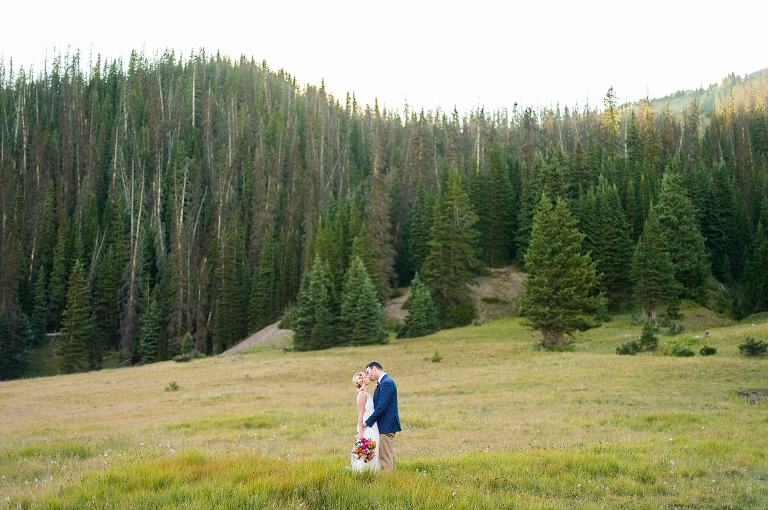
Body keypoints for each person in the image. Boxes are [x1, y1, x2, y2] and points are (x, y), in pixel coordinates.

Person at [363, 361, 401, 471]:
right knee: (387, 455)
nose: (368, 375)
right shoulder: (383, 382)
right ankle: (393, 479)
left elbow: (381, 407)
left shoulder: (387, 383)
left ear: (374, 368)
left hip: (386, 424)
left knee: (385, 457)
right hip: (384, 424)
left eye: (368, 372)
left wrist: (367, 423)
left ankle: (388, 482)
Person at [351, 371, 380, 472]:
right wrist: (361, 431)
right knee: (367, 449)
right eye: (365, 376)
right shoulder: (362, 395)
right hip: (366, 426)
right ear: (362, 381)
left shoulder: (366, 393)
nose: (368, 377)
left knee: (374, 450)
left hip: (373, 425)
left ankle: (374, 472)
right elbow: (360, 414)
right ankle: (365, 472)